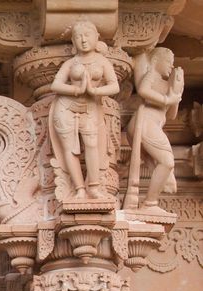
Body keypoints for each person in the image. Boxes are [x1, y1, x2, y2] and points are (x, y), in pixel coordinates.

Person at [48, 20, 119, 201]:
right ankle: (79, 188)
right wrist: (77, 90)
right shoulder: (71, 63)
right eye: (78, 37)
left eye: (87, 35)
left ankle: (93, 187)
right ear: (73, 41)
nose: (83, 40)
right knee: (70, 148)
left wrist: (94, 91)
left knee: (92, 144)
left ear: (97, 37)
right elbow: (55, 85)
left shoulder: (102, 61)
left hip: (90, 106)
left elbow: (114, 86)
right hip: (65, 107)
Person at [123, 47, 183, 212]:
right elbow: (143, 90)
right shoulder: (152, 75)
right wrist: (167, 99)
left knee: (163, 168)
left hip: (152, 126)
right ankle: (150, 203)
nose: (171, 66)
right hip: (145, 123)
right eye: (168, 62)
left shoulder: (165, 84)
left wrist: (176, 91)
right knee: (167, 162)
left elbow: (171, 115)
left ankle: (149, 202)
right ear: (156, 61)